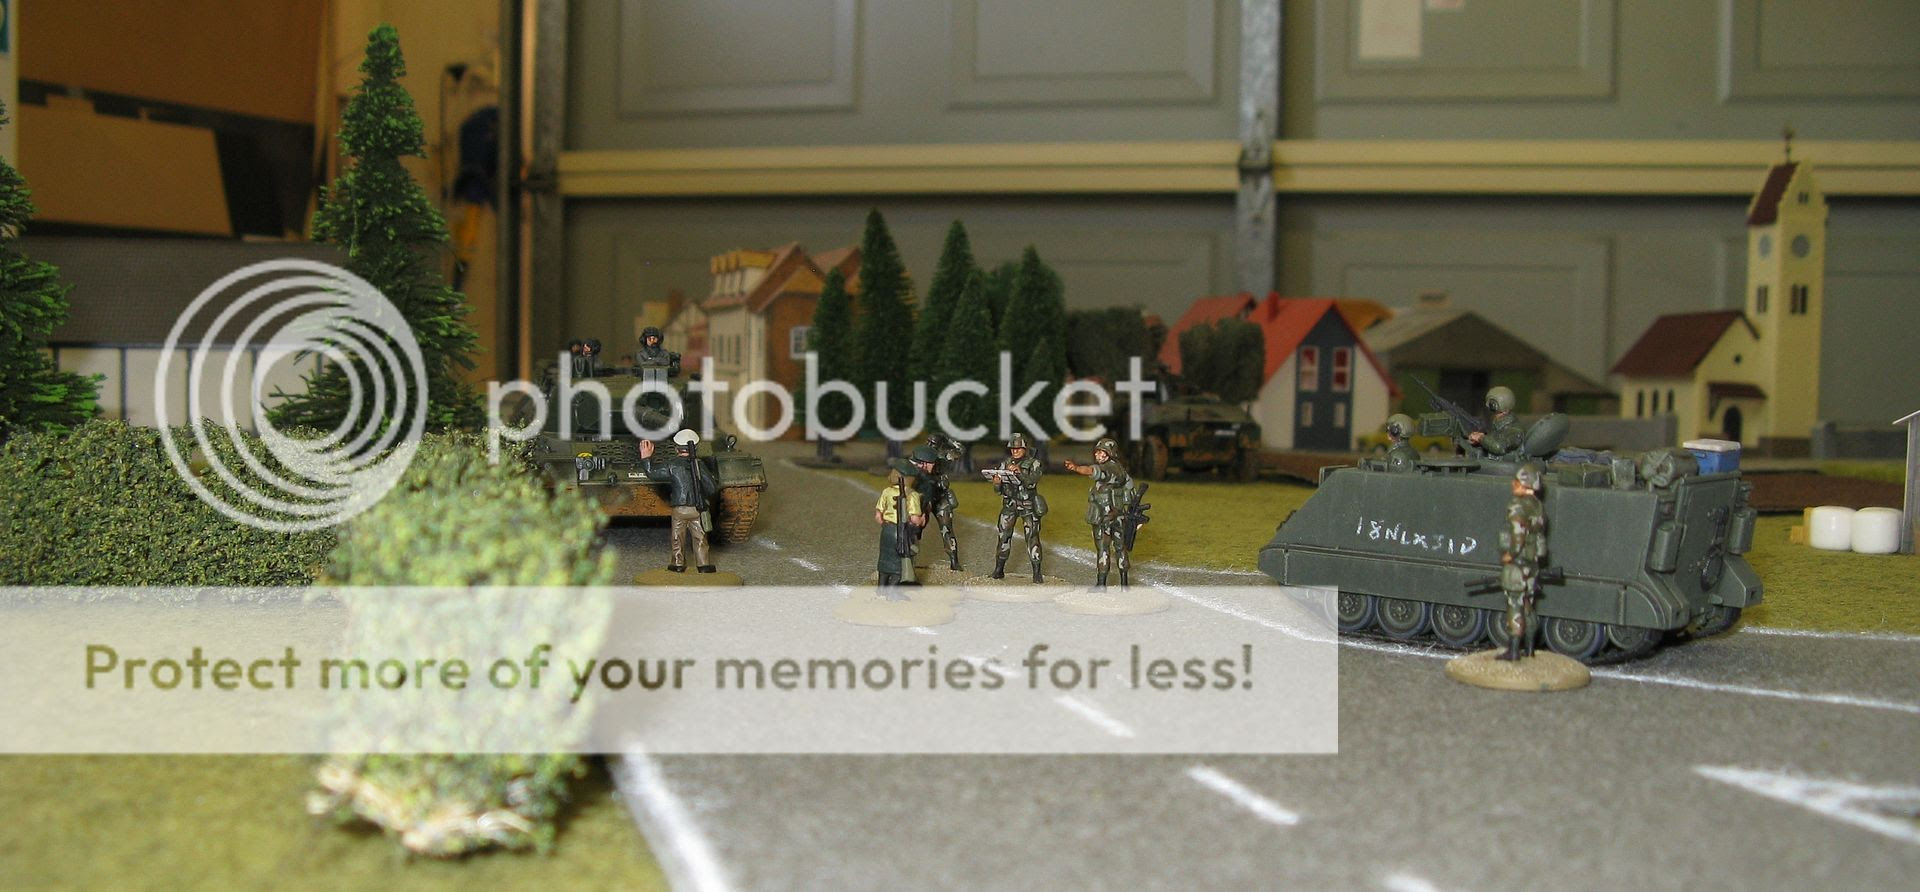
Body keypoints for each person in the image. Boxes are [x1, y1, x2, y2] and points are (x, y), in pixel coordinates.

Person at [1062, 437, 1141, 591]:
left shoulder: (1107, 469)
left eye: (1101, 452)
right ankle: (1124, 584)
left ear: (1109, 454)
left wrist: (1076, 468)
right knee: (1120, 548)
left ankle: (1101, 584)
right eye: (1097, 452)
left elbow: (1092, 471)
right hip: (1119, 515)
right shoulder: (1121, 470)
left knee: (1103, 549)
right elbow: (1130, 490)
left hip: (1105, 516)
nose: (1097, 455)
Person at [638, 429, 719, 573]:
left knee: (677, 537)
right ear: (695, 448)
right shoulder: (699, 465)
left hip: (679, 509)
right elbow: (712, 488)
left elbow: (652, 473)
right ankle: (703, 565)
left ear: (676, 449)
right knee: (700, 538)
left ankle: (677, 564)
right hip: (697, 509)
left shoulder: (672, 465)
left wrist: (646, 458)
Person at [1499, 463, 1547, 660]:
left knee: (1514, 605)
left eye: (1517, 481)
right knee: (1528, 606)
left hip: (1518, 563)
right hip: (1532, 562)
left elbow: (1517, 536)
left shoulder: (1517, 506)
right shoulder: (1536, 505)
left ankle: (1513, 651)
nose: (1513, 484)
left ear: (1524, 483)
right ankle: (1529, 649)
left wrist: (1510, 555)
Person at [983, 433, 1046, 582]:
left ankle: (1037, 573)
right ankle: (999, 569)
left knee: (1032, 537)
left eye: (1018, 448)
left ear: (1025, 448)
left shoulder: (1034, 463)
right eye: (1012, 448)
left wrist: (1020, 472)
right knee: (1003, 536)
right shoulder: (1005, 464)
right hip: (1010, 505)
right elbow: (998, 491)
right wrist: (997, 484)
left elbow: (1032, 482)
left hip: (1028, 506)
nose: (1015, 451)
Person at [875, 465, 927, 599]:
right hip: (902, 532)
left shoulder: (886, 491)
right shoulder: (913, 495)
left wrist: (886, 525)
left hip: (886, 531)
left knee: (884, 560)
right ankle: (892, 593)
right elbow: (915, 519)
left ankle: (881, 589)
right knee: (899, 565)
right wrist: (922, 519)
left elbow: (878, 516)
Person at [908, 439, 960, 571]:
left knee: (947, 529)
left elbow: (959, 451)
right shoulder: (917, 459)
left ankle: (954, 561)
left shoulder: (942, 458)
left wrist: (949, 441)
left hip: (940, 498)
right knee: (915, 529)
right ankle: (910, 561)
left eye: (934, 443)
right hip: (922, 499)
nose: (931, 445)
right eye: (929, 442)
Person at [1467, 386, 1525, 457]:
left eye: (1491, 403)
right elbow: (1493, 440)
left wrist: (1481, 438)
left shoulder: (1515, 431)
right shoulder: (1499, 425)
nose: (1489, 405)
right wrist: (1480, 441)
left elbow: (1499, 447)